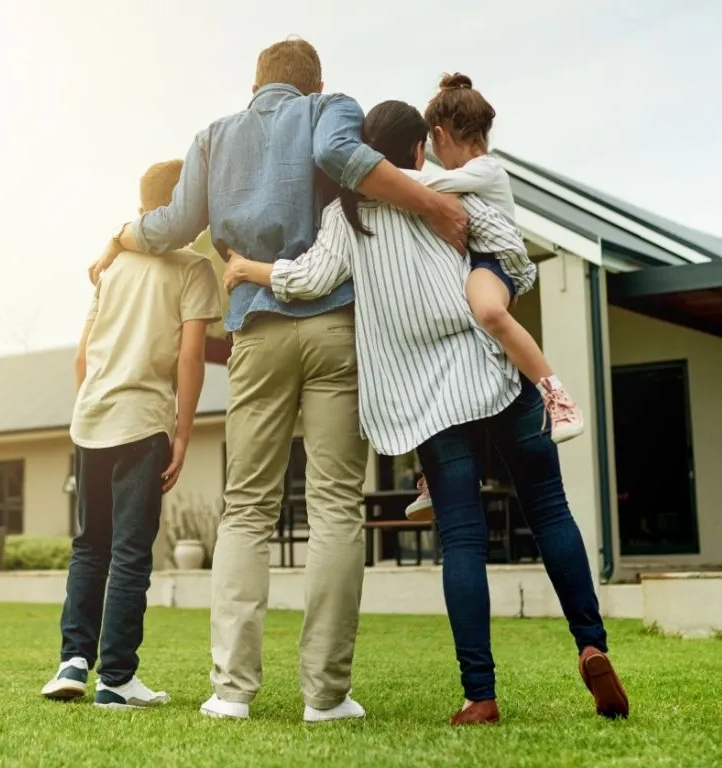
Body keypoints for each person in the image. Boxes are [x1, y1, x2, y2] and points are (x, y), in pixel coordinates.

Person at [90, 37, 470, 723]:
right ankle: (325, 696)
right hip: (332, 331)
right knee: (332, 507)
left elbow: (175, 224)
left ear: (257, 84)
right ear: (313, 82)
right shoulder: (331, 107)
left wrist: (124, 232)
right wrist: (431, 203)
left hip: (257, 331)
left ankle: (230, 691)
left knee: (247, 509)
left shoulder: (214, 135)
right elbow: (338, 158)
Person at [224, 100, 629, 726]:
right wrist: (494, 282)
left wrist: (247, 268)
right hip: (492, 371)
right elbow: (510, 254)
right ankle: (591, 643)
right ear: (420, 150)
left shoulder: (346, 215)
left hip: (429, 404)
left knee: (463, 538)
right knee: (549, 509)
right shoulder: (443, 194)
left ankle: (480, 695)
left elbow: (307, 279)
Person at [41, 158, 221, 710]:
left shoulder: (111, 267)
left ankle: (73, 662)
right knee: (130, 552)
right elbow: (191, 355)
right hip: (142, 423)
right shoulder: (193, 269)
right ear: (184, 208)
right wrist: (183, 433)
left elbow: (81, 356)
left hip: (91, 419)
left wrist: (91, 405)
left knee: (89, 546)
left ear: (141, 208)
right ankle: (115, 678)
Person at [402, 73, 584, 522]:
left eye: (433, 144)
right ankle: (432, 473)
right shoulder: (470, 172)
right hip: (473, 269)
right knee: (454, 368)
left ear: (440, 136)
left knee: (486, 311)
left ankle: (556, 395)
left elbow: (424, 188)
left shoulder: (484, 170)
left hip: (493, 266)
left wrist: (372, 173)